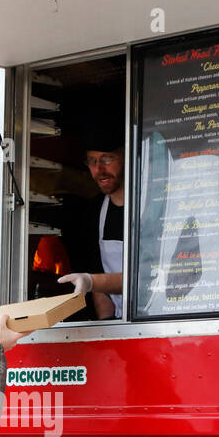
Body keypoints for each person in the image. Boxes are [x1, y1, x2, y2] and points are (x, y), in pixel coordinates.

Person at [58, 121, 126, 320]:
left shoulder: (148, 207)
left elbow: (146, 278)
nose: (99, 169)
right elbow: (98, 280)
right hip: (119, 321)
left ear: (125, 156)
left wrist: (91, 281)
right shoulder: (94, 213)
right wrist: (106, 325)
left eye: (106, 159)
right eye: (92, 161)